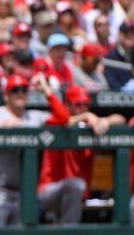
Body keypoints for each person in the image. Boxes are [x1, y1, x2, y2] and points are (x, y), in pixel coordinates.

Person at [0, 74, 70, 228]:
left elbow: (63, 118)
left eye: (24, 90)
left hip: (23, 193)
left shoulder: (33, 117)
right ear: (6, 96)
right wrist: (1, 132)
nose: (20, 94)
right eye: (15, 90)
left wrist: (46, 90)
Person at [38, 86, 125, 225]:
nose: (83, 108)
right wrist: (86, 116)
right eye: (78, 104)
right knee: (75, 185)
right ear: (68, 105)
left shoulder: (91, 125)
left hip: (78, 195)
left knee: (77, 188)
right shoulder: (57, 121)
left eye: (86, 104)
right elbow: (64, 119)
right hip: (49, 192)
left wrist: (105, 121)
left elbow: (120, 118)